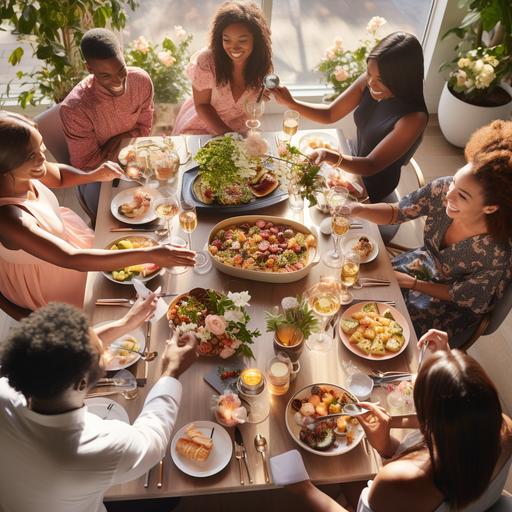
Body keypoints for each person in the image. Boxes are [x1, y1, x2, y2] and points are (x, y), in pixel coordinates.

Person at [0, 297, 198, 512]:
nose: (105, 351)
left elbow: (57, 352)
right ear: (82, 382)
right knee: (167, 497)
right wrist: (171, 372)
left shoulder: (8, 386)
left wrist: (126, 323)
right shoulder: (96, 446)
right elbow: (153, 441)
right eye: (100, 353)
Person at [284, 329, 512, 512]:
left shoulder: (400, 479)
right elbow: (460, 412)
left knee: (339, 472)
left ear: (426, 420)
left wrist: (304, 489)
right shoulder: (502, 427)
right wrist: (449, 361)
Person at [0, 112, 195, 312]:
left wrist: (94, 175)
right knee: (105, 308)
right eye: (32, 155)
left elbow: (58, 177)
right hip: (50, 277)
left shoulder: (28, 169)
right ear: (4, 167)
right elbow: (72, 259)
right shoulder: (9, 220)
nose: (42, 156)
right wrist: (151, 255)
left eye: (40, 145)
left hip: (67, 242)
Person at [347, 120, 512, 341]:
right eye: (454, 182)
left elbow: (463, 296)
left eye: (462, 196)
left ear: (490, 207)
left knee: (388, 335)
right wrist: (359, 209)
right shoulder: (443, 189)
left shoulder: (497, 254)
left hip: (450, 304)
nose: (448, 195)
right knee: (355, 292)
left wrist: (412, 283)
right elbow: (398, 212)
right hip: (421, 264)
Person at [271, 32, 428, 202]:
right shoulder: (371, 80)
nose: (371, 83)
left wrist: (329, 155)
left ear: (402, 80)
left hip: (370, 183)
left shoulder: (414, 118)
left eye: (381, 79)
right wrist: (291, 102)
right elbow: (330, 114)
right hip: (349, 157)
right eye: (369, 73)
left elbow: (371, 165)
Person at [60, 28, 154, 214]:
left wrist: (115, 143)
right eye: (106, 75)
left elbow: (144, 128)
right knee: (120, 219)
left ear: (122, 54)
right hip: (95, 179)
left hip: (135, 161)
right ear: (90, 68)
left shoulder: (141, 81)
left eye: (121, 70)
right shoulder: (75, 108)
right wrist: (125, 143)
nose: (119, 81)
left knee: (164, 196)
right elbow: (86, 165)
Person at [172, 1, 272, 135]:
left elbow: (255, 105)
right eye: (227, 40)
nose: (234, 47)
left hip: (239, 128)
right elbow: (202, 105)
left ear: (256, 40)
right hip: (202, 125)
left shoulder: (262, 65)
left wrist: (264, 93)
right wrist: (229, 136)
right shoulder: (206, 62)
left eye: (242, 40)